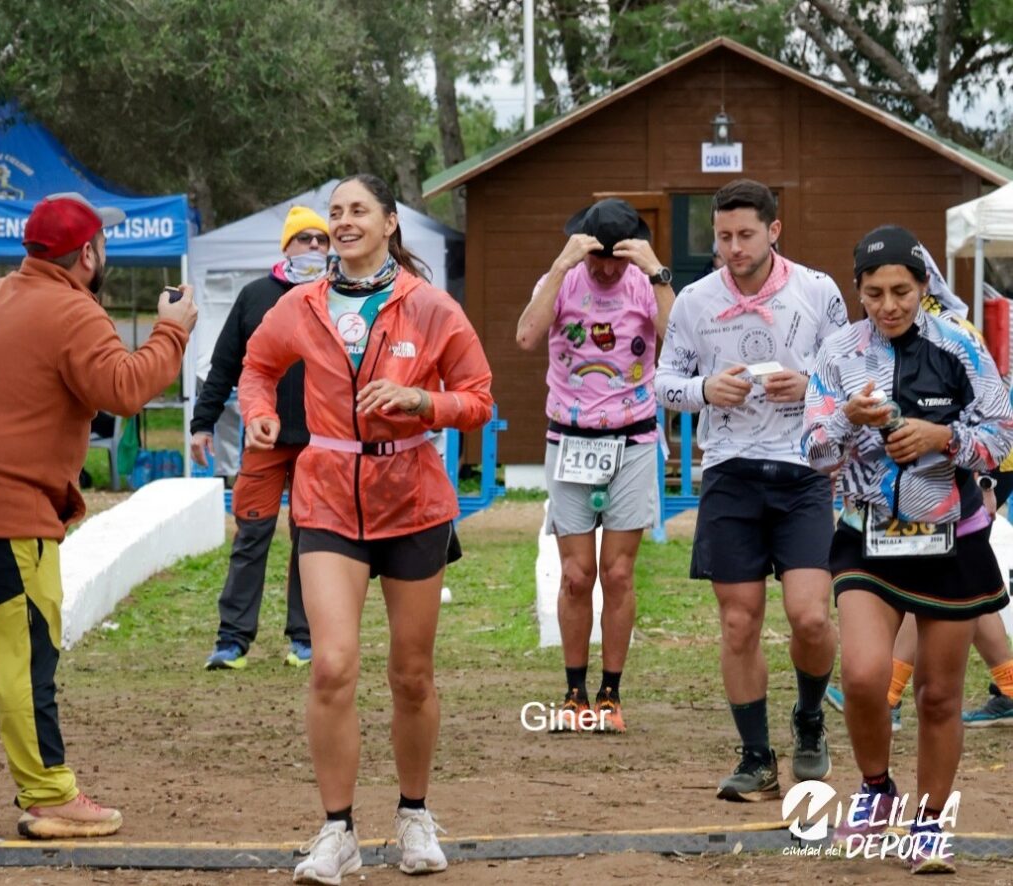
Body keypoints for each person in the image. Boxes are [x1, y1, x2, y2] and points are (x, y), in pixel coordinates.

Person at [237, 174, 492, 884]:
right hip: (326, 499)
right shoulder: (301, 304)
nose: (344, 222)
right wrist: (260, 412)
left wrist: (420, 401)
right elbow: (257, 366)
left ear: (389, 223)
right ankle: (337, 832)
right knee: (331, 665)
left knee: (411, 675)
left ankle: (414, 816)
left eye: (358, 211)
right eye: (336, 212)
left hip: (412, 502)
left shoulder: (430, 306)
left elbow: (477, 398)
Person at [803, 224, 1013, 872]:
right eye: (874, 294)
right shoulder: (838, 352)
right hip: (867, 535)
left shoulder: (960, 345)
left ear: (923, 286)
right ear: (858, 291)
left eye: (901, 291)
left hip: (951, 537)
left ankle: (929, 824)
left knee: (939, 695)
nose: (888, 306)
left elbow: (1000, 437)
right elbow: (813, 450)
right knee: (864, 676)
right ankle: (876, 789)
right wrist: (847, 419)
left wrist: (940, 437)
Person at [0, 192, 197, 838]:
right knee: (26, 663)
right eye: (101, 244)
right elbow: (124, 388)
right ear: (87, 254)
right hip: (12, 516)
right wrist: (172, 330)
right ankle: (50, 795)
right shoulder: (73, 310)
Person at [655, 179, 845, 801]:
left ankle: (810, 719)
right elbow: (663, 382)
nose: (734, 247)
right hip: (731, 472)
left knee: (811, 616)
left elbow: (852, 372)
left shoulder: (817, 290)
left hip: (804, 471)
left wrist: (809, 386)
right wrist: (706, 390)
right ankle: (757, 758)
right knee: (739, 623)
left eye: (745, 234)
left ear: (774, 230)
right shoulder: (694, 300)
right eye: (723, 236)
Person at [515, 198, 674, 734]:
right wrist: (562, 266)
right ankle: (574, 690)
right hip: (570, 438)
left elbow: (681, 341)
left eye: (616, 259)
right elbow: (526, 336)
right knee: (577, 574)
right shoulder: (562, 279)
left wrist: (657, 273)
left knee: (619, 572)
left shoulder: (646, 284)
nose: (606, 269)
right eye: (597, 258)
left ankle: (611, 692)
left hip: (632, 437)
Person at [193, 206, 331, 670]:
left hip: (321, 442)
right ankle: (232, 640)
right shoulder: (255, 296)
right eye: (305, 239)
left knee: (311, 539)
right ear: (286, 246)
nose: (315, 246)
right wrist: (202, 423)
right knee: (251, 535)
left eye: (322, 240)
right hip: (263, 439)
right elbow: (224, 365)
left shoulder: (339, 296)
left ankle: (305, 637)